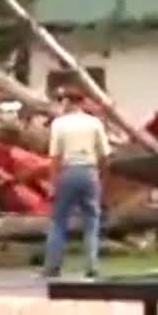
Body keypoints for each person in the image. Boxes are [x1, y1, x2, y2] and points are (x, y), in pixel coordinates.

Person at [41, 85, 111, 278]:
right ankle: (91, 266)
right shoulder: (95, 123)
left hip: (68, 172)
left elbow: (55, 157)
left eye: (63, 100)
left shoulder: (59, 124)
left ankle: (53, 266)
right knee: (92, 221)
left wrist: (53, 184)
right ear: (83, 102)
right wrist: (102, 178)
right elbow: (104, 156)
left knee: (58, 220)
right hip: (89, 172)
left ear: (68, 102)